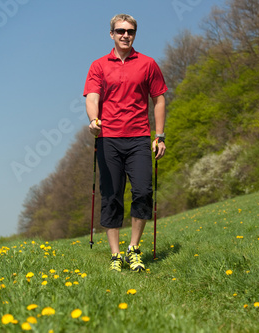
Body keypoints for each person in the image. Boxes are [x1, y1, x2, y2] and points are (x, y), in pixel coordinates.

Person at [83, 14, 168, 272]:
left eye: (130, 31)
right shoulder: (98, 65)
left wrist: (160, 136)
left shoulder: (148, 64)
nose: (125, 35)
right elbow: (92, 96)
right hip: (108, 139)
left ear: (134, 34)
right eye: (120, 31)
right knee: (112, 196)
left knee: (143, 192)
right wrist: (94, 120)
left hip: (139, 138)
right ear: (111, 34)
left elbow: (160, 99)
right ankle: (115, 255)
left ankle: (133, 249)